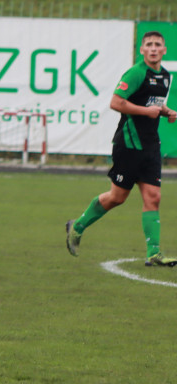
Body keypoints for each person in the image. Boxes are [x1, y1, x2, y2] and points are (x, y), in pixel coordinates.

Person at [66, 31, 177, 266]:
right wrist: (146, 112)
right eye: (149, 45)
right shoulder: (136, 73)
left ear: (164, 50)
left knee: (153, 197)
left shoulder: (166, 76)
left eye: (158, 44)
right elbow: (116, 102)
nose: (154, 48)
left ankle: (153, 254)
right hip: (128, 144)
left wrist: (166, 111)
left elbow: (152, 102)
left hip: (150, 145)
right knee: (117, 197)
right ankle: (77, 226)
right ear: (142, 50)